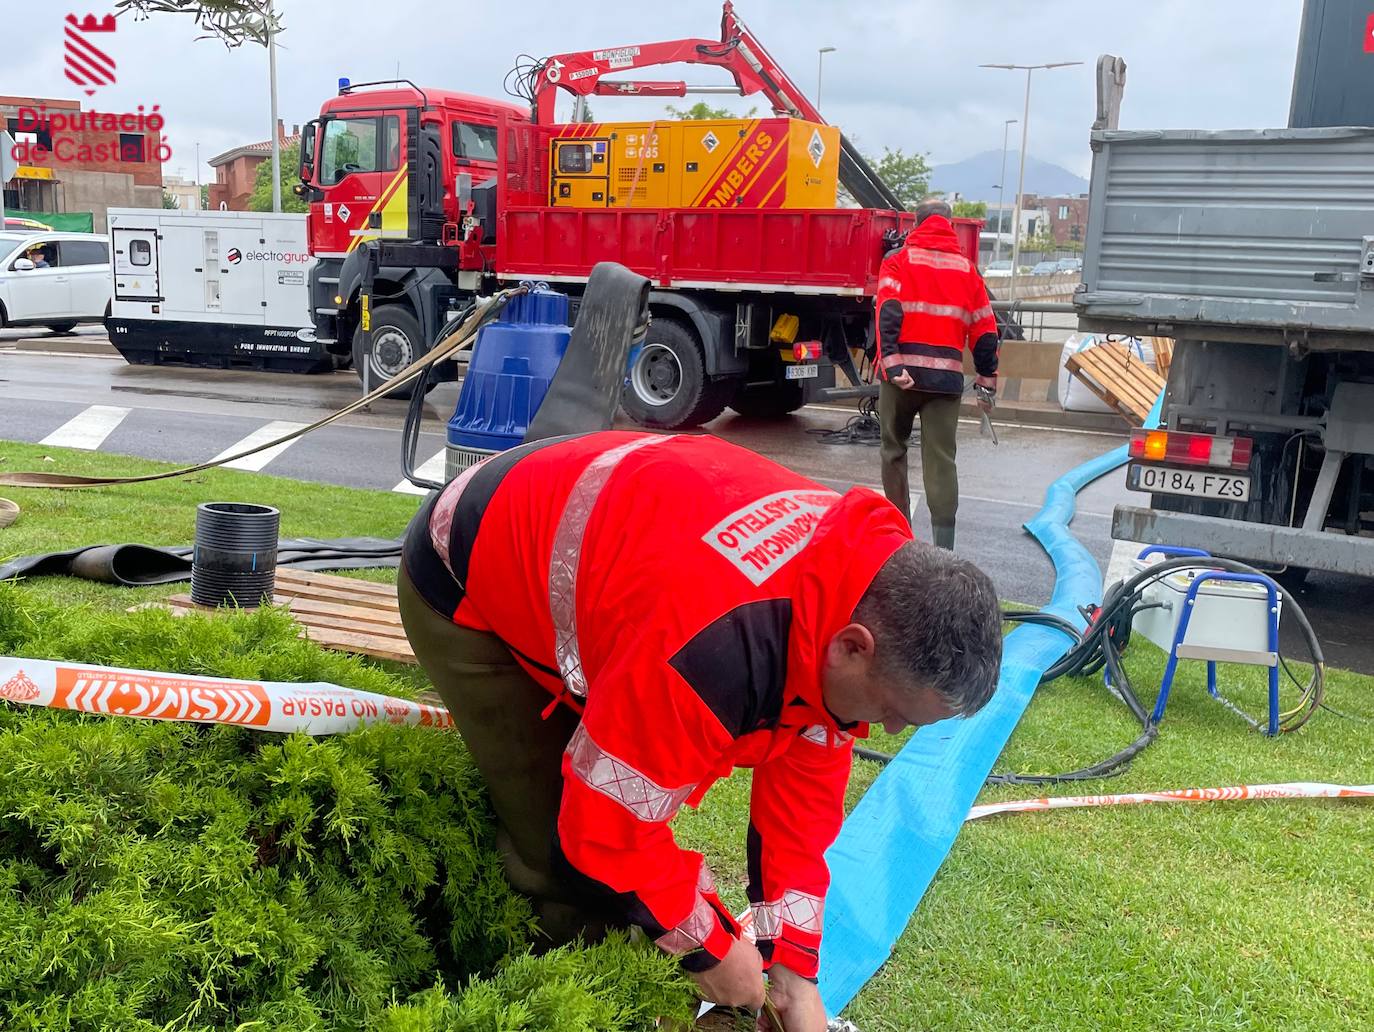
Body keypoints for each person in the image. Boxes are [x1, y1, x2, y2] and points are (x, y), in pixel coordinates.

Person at [397, 430, 1003, 1029]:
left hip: (598, 551)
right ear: (852, 647)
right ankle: (556, 997)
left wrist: (793, 973)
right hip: (463, 570)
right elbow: (603, 829)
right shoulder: (708, 653)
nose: (889, 730)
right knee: (553, 852)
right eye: (897, 711)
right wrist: (707, 950)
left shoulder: (858, 588)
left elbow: (802, 807)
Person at [874, 198, 1000, 551]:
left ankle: (901, 542)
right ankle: (945, 548)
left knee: (893, 451)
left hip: (901, 378)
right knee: (941, 460)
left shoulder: (897, 261)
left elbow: (887, 311)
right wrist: (987, 378)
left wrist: (893, 364)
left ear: (917, 223)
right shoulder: (967, 270)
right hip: (945, 382)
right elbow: (986, 330)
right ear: (948, 225)